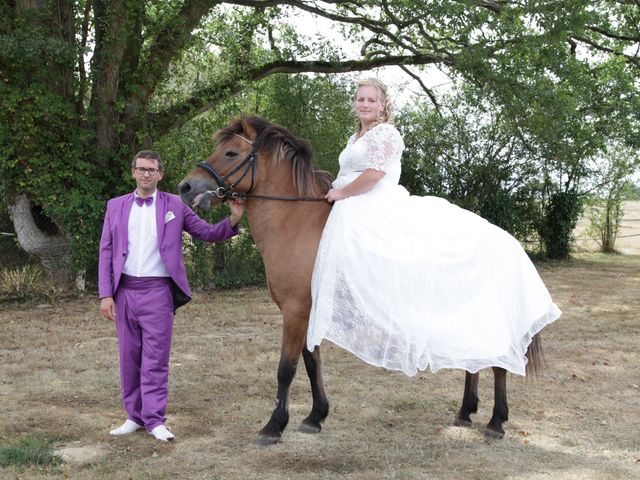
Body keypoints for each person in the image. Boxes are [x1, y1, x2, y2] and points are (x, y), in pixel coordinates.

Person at [306, 78, 561, 377]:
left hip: (373, 201)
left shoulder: (386, 134)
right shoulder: (356, 137)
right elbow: (349, 171)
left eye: (371, 100)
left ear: (383, 104)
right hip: (351, 203)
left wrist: (342, 193)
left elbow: (374, 174)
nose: (364, 104)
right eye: (360, 99)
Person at [99, 150, 244, 442]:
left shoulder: (175, 205)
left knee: (155, 358)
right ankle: (134, 417)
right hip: (124, 291)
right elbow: (105, 251)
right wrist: (106, 294)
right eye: (141, 169)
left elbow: (206, 232)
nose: (146, 174)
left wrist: (234, 217)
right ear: (133, 172)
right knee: (129, 357)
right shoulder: (115, 206)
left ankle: (154, 420)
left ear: (160, 174)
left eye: (151, 169)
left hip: (158, 292)